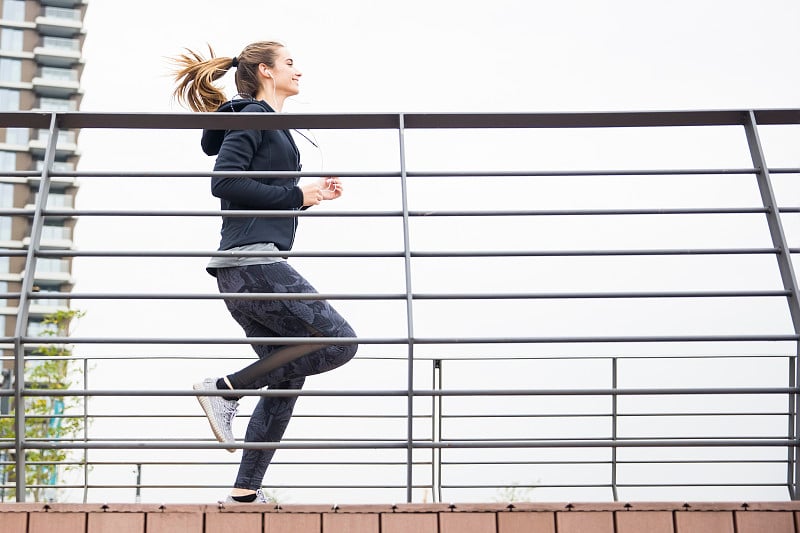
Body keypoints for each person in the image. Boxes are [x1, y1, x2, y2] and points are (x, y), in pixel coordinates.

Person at [171, 41, 358, 503]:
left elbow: (258, 195)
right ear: (265, 71)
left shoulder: (270, 124)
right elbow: (225, 182)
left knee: (286, 379)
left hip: (247, 268)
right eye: (290, 63)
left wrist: (309, 196)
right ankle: (225, 388)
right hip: (253, 265)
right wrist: (297, 196)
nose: (299, 71)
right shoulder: (254, 116)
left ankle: (243, 494)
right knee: (340, 341)